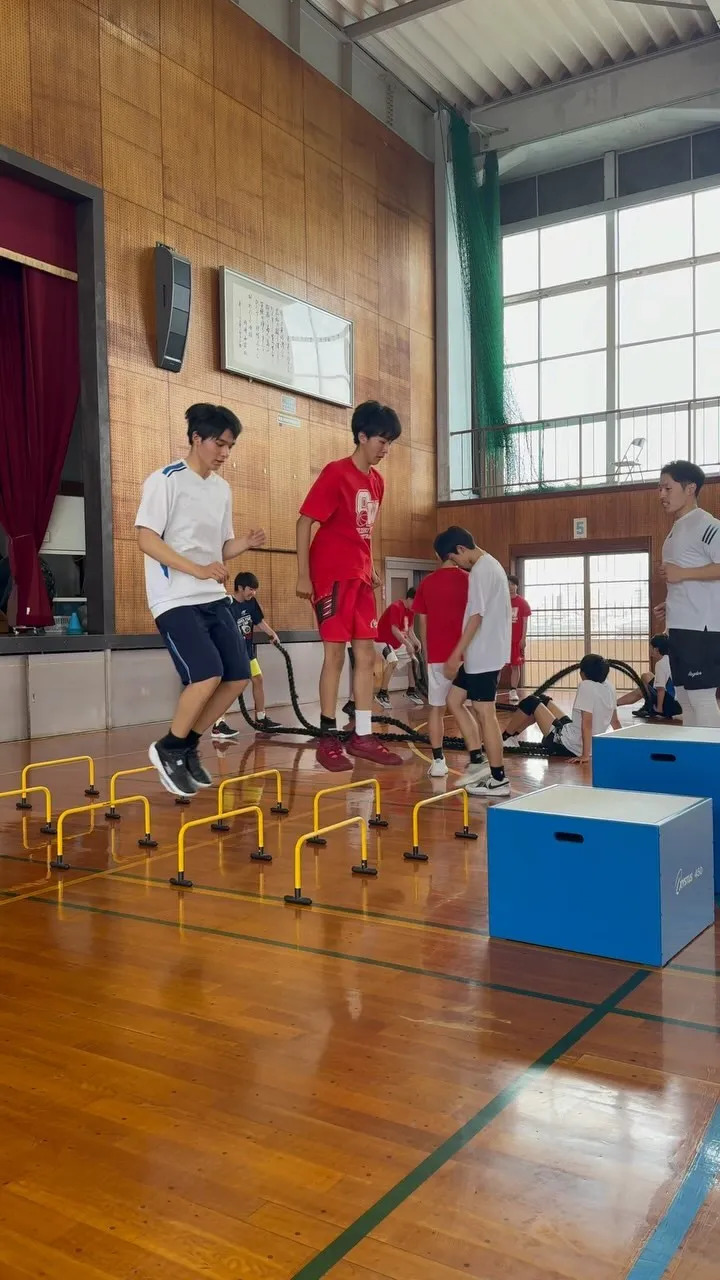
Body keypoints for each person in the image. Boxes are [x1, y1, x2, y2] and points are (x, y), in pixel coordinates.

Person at [135, 403, 265, 797]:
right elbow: (145, 537)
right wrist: (196, 569)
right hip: (175, 597)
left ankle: (186, 745)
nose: (225, 453)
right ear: (196, 438)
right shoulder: (165, 480)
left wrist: (242, 543)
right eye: (219, 444)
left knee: (238, 675)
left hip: (213, 596)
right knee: (206, 673)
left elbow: (219, 549)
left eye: (231, 446)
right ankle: (169, 747)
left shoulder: (221, 489)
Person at [296, 401, 404, 772]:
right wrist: (302, 574)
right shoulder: (336, 473)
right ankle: (327, 738)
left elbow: (366, 530)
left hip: (360, 577)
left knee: (368, 656)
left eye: (390, 443)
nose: (386, 449)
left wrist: (370, 564)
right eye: (381, 440)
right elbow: (304, 522)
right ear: (362, 436)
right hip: (331, 574)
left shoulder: (377, 481)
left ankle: (361, 734)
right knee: (336, 656)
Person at [440, 526, 511, 796]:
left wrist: (456, 652)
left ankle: (498, 778)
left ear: (460, 550)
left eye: (454, 560)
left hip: (483, 654)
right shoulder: (490, 565)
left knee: (485, 714)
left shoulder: (482, 569)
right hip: (479, 654)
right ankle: (478, 760)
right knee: (454, 700)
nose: (457, 565)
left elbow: (476, 616)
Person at [657, 460, 720, 728]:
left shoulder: (707, 525)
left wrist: (682, 574)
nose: (661, 495)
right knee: (684, 696)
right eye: (660, 489)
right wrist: (669, 603)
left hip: (701, 628)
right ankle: (696, 764)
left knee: (701, 697)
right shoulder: (675, 529)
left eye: (667, 488)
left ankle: (712, 765)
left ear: (690, 488)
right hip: (680, 626)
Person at [412, 539, 470, 777]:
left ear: (438, 555)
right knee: (474, 709)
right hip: (468, 655)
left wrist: (427, 653)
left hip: (436, 656)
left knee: (436, 709)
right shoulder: (470, 579)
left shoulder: (427, 583)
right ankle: (478, 757)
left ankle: (438, 761)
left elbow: (422, 625)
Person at [503, 653, 620, 763]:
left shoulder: (587, 686)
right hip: (578, 739)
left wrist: (584, 755)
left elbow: (587, 723)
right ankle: (512, 737)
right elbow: (615, 721)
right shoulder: (609, 687)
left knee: (531, 702)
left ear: (582, 673)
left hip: (567, 745)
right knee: (543, 699)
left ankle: (505, 737)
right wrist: (624, 744)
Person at [211, 571, 282, 740]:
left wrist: (271, 633)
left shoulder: (251, 603)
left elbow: (258, 621)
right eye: (251, 589)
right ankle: (218, 725)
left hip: (247, 653)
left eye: (255, 590)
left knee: (258, 679)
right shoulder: (227, 605)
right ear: (240, 588)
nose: (253, 593)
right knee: (228, 687)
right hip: (231, 654)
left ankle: (261, 718)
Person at [374, 589, 423, 710]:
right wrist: (407, 644)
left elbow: (410, 630)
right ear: (410, 599)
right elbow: (394, 629)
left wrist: (416, 641)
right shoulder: (396, 607)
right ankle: (382, 694)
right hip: (382, 641)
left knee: (413, 660)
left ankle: (411, 690)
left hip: (395, 643)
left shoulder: (411, 611)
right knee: (393, 661)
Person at [617, 634, 682, 721]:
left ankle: (613, 704)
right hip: (679, 704)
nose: (649, 649)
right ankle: (616, 703)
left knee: (643, 686)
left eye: (650, 647)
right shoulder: (670, 659)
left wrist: (659, 710)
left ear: (656, 649)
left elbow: (661, 689)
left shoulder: (661, 663)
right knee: (647, 677)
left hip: (671, 706)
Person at [507, 574, 531, 705]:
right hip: (503, 640)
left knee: (515, 666)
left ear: (517, 586)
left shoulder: (522, 603)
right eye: (508, 584)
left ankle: (513, 690)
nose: (510, 587)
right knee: (497, 667)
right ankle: (491, 690)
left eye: (512, 584)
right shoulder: (501, 601)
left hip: (516, 640)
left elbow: (525, 621)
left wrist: (523, 638)